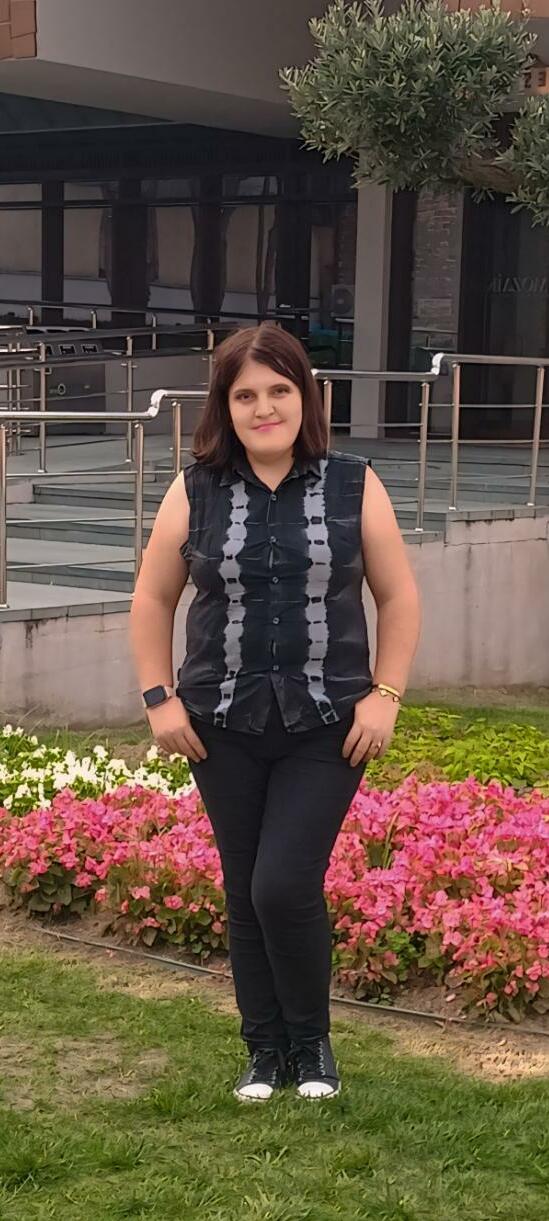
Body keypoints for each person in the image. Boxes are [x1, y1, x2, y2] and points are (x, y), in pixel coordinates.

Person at [130, 322, 421, 1103]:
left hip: (326, 724)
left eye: (279, 390)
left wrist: (385, 695)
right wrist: (158, 697)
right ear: (225, 406)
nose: (264, 408)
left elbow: (397, 596)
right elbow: (153, 598)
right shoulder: (194, 488)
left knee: (283, 884)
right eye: (246, 394)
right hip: (218, 722)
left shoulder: (354, 483)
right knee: (243, 886)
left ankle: (311, 1044)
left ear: (305, 396)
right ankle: (264, 1051)